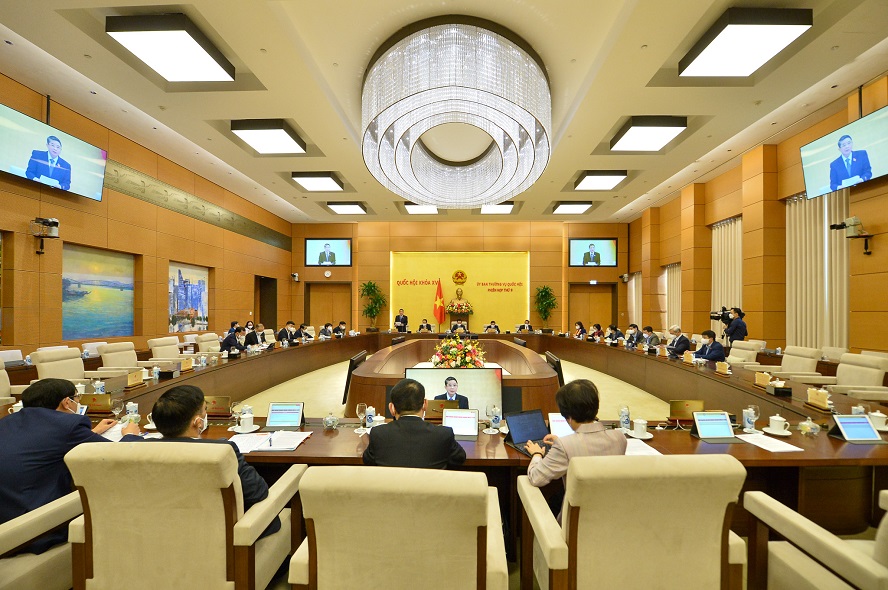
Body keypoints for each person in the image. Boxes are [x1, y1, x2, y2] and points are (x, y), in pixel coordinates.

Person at [121, 385, 280, 539]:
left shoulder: (133, 450)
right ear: (198, 422)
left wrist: (128, 436)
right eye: (205, 410)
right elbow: (258, 492)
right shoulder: (222, 450)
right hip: (222, 538)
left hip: (156, 536)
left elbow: (125, 446)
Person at [0, 379, 138, 554]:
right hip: (34, 531)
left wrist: (92, 433)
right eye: (77, 398)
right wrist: (130, 435)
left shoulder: (6, 422)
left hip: (5, 518)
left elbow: (42, 442)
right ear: (67, 402)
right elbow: (117, 456)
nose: (78, 403)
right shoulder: (68, 425)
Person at [525, 379, 627, 520]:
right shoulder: (619, 438)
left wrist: (537, 454)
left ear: (568, 417)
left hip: (574, 525)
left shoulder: (564, 445)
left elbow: (536, 478)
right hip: (612, 519)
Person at [363, 379, 466, 469]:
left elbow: (368, 461)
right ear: (425, 404)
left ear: (391, 408)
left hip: (392, 485)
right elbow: (459, 458)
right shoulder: (444, 434)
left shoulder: (378, 433)